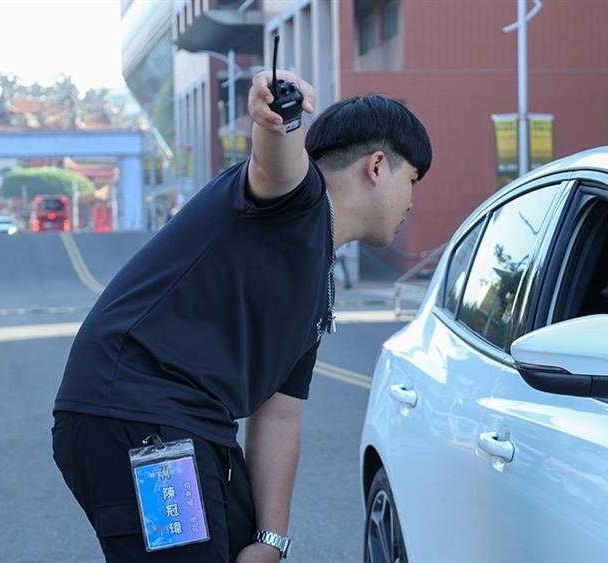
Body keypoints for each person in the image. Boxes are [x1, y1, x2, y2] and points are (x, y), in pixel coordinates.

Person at [50, 68, 431, 562]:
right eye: (413, 180)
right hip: (138, 416)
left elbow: (279, 414)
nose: (413, 202)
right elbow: (277, 164)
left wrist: (271, 539)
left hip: (192, 426)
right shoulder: (299, 199)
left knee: (237, 547)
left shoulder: (317, 276)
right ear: (377, 167)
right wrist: (278, 116)